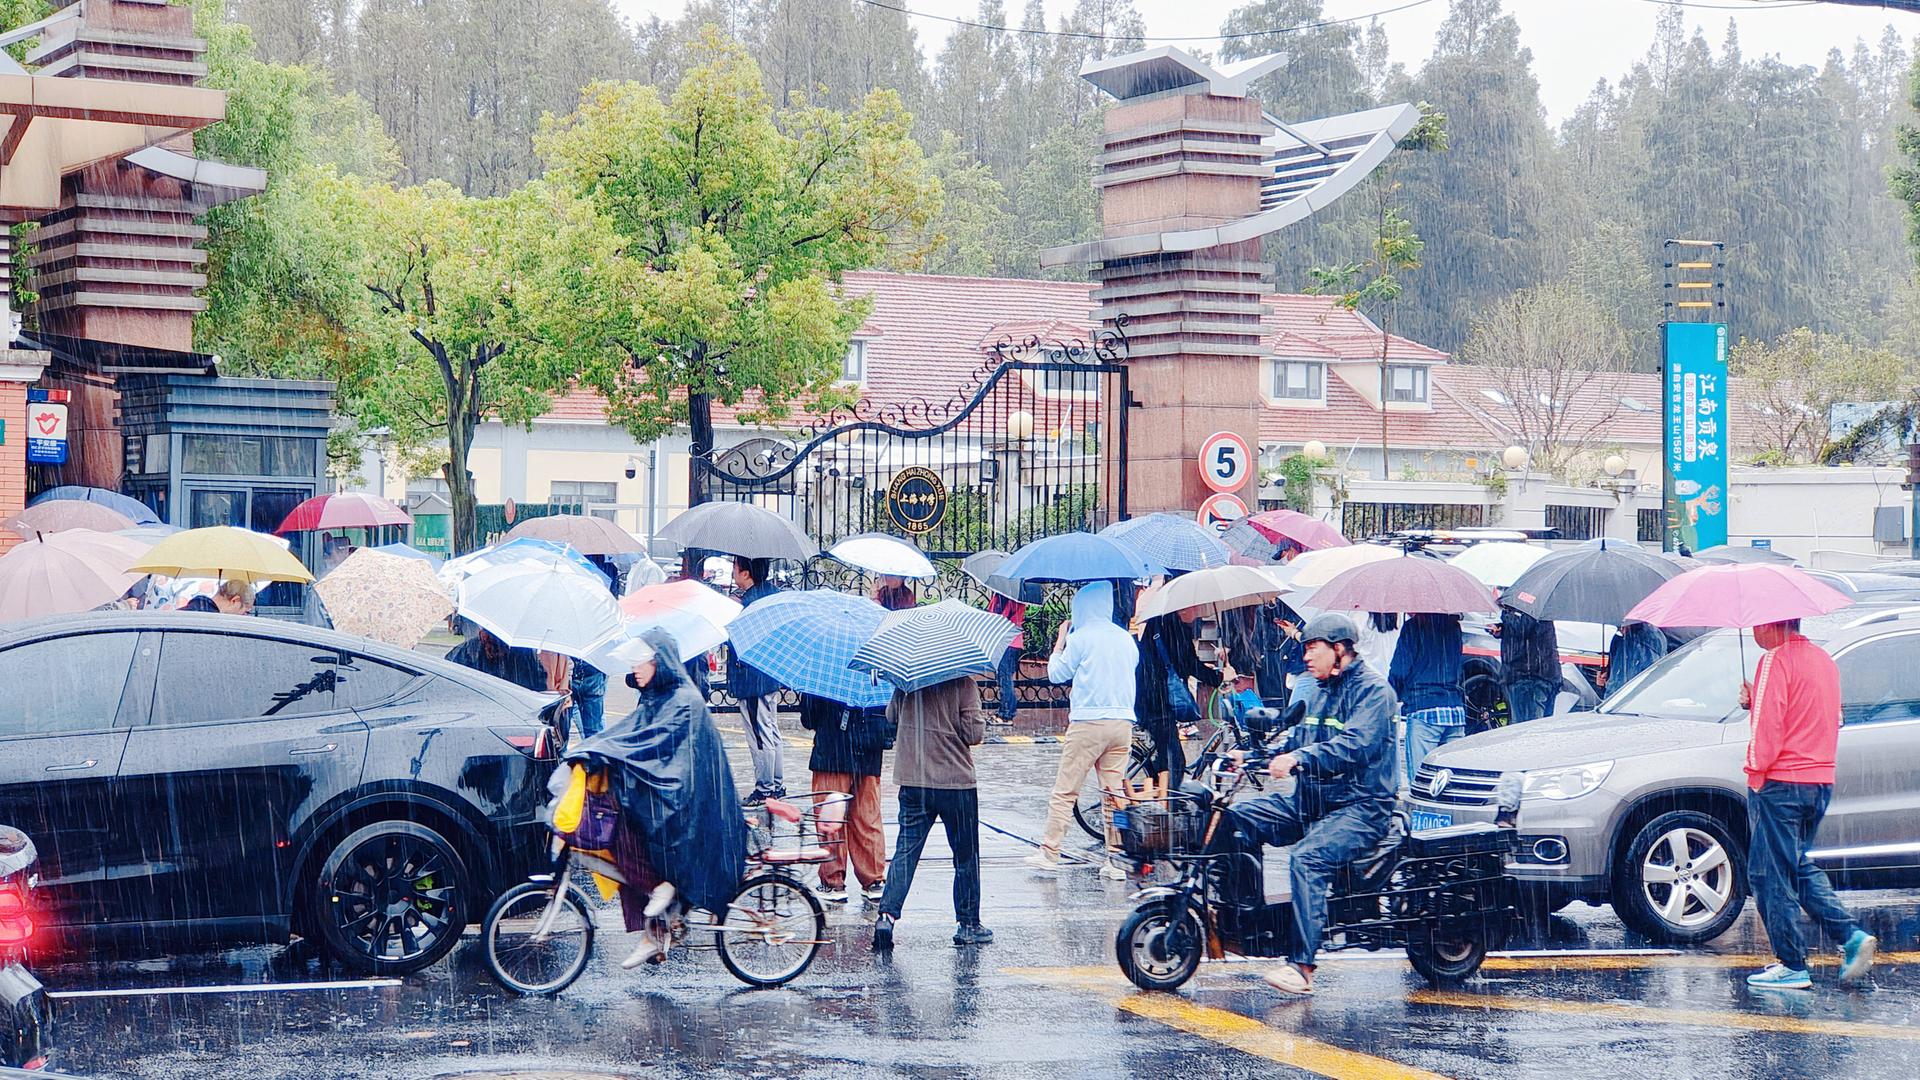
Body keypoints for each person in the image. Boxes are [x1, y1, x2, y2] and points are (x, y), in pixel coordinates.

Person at [1219, 613, 1398, 996]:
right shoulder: (1317, 688)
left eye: (1312, 648)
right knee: (1234, 819)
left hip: (1361, 807)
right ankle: (1243, 927)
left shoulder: (1374, 692)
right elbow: (1296, 735)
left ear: (1339, 649)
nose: (1305, 657)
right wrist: (1252, 755)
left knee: (1308, 859)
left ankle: (1301, 966)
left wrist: (1301, 759)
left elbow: (1356, 745)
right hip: (1313, 800)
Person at [567, 630, 748, 969]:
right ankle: (655, 924)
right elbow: (631, 734)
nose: (636, 667)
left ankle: (661, 894)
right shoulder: (658, 696)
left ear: (659, 661)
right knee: (621, 826)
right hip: (674, 798)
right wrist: (594, 750)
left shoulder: (683, 701)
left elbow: (654, 750)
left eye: (642, 660)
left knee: (626, 824)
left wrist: (605, 751)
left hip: (690, 808)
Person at [1740, 618, 1876, 990]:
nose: (1753, 632)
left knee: (1768, 876)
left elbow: (1768, 731)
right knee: (1795, 865)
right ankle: (1850, 937)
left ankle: (1792, 964)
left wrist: (1754, 769)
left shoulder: (1774, 660)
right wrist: (1757, 701)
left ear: (1770, 624)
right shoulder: (1823, 660)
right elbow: (1830, 718)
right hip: (1818, 780)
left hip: (1780, 783)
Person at [1025, 580, 1139, 879]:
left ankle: (1050, 851)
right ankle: (1115, 859)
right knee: (1113, 792)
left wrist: (1061, 640)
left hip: (1088, 722)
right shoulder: (1125, 639)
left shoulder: (1082, 637)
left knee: (1066, 790)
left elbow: (1055, 674)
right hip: (1122, 722)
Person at [871, 675, 989, 950]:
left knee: (906, 852)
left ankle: (886, 917)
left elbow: (891, 717)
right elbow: (974, 734)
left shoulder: (907, 681)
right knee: (965, 856)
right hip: (955, 783)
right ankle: (968, 924)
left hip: (913, 779)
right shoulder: (964, 683)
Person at [798, 693, 889, 905]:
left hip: (832, 754)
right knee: (868, 819)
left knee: (831, 821)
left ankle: (833, 881)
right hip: (868, 753)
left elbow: (809, 718)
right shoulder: (874, 668)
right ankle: (874, 880)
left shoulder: (825, 670)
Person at [725, 557, 787, 805]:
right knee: (771, 729)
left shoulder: (749, 603)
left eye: (735, 568)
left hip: (753, 678)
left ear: (746, 573)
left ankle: (765, 787)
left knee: (760, 735)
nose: (732, 573)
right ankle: (777, 784)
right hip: (769, 675)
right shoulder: (772, 595)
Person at [1391, 612, 1466, 784]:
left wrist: (1392, 694)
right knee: (1451, 780)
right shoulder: (1454, 626)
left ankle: (1421, 810)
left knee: (1421, 781)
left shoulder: (1414, 627)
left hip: (1424, 708)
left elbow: (1399, 669)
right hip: (1455, 710)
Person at [447, 624, 551, 694]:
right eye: (489, 640)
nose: (494, 649)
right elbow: (450, 682)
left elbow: (539, 682)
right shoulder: (466, 653)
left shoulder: (523, 654)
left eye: (499, 643)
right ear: (482, 636)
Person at [1500, 605, 1560, 724]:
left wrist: (1506, 614)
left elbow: (1521, 628)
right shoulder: (1542, 608)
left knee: (1527, 730)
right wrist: (1502, 629)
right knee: (1538, 727)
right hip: (1543, 676)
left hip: (1528, 678)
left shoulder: (1530, 608)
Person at [986, 590, 1027, 724]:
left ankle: (1006, 714)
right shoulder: (1008, 596)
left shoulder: (1009, 597)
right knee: (1004, 677)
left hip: (1008, 642)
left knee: (1005, 677)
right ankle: (1004, 711)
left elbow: (1001, 619)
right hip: (1010, 642)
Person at [1604, 621, 1667, 698]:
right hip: (1646, 694)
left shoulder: (1630, 642)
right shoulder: (1657, 637)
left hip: (1626, 696)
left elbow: (1620, 679)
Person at [183, 579, 256, 615]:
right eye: (245, 612)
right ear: (235, 600)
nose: (244, 616)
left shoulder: (180, 614)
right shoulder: (215, 626)